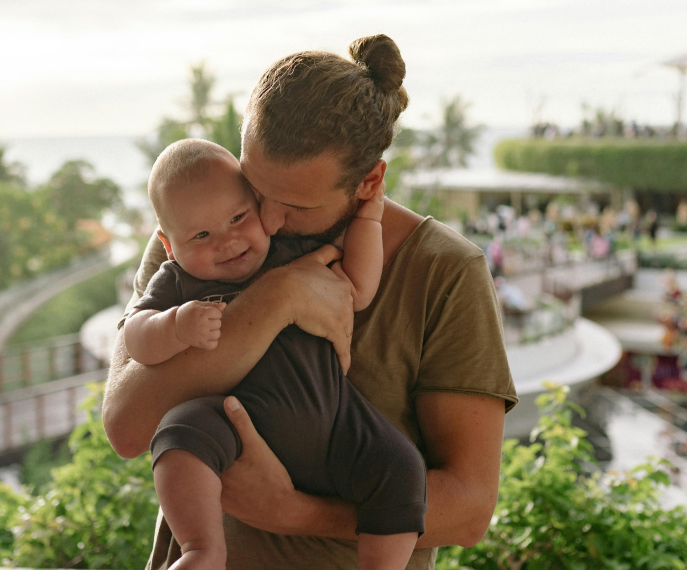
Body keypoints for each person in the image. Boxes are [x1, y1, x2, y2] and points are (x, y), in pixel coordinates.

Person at [103, 34, 518, 570]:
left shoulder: (442, 271)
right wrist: (276, 298)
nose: (267, 223)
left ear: (368, 182)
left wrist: (295, 512)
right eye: (255, 189)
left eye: (295, 205)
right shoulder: (201, 238)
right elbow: (127, 426)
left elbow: (469, 509)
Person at [124, 139, 425, 570]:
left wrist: (370, 217)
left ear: (260, 205)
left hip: (337, 420)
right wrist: (173, 326)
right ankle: (202, 549)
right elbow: (136, 337)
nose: (227, 241)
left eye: (238, 217)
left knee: (401, 467)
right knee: (179, 436)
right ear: (169, 246)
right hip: (232, 418)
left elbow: (358, 287)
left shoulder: (290, 251)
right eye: (202, 235)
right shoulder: (176, 282)